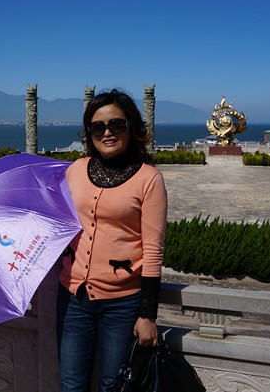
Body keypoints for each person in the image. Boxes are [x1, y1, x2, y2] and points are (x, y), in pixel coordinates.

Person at [57, 89, 167, 392]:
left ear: (131, 128)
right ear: (89, 133)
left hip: (123, 304)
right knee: (70, 384)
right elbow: (56, 220)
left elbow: (153, 251)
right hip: (72, 297)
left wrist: (148, 315)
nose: (107, 133)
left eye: (116, 125)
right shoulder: (75, 170)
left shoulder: (149, 179)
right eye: (97, 127)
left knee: (113, 386)